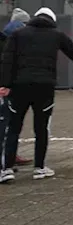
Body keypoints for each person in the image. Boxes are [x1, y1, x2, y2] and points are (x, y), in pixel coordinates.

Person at [0, 8, 73, 183]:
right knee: (42, 128)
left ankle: (6, 169)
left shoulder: (18, 34)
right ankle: (39, 168)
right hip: (45, 87)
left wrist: (5, 84)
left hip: (19, 87)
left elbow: (7, 59)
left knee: (14, 127)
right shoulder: (56, 35)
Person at [0, 9, 31, 167]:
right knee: (7, 122)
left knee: (8, 122)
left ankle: (9, 156)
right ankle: (6, 158)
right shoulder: (16, 38)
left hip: (8, 86)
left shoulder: (7, 37)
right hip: (7, 87)